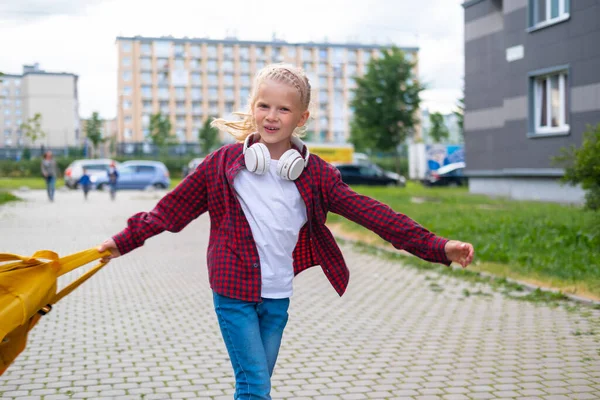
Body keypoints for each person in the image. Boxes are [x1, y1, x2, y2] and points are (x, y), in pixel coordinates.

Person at [98, 63, 474, 399]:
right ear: (252, 107)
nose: (271, 116)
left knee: (252, 385)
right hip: (233, 293)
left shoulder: (316, 175)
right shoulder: (223, 165)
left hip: (277, 296)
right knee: (255, 388)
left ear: (301, 117)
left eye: (283, 108)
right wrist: (122, 242)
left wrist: (438, 247)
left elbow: (372, 214)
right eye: (264, 105)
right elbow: (170, 210)